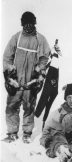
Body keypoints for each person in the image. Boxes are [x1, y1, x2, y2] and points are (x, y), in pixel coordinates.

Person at [2, 11, 50, 143]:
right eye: (25, 24)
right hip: (16, 81)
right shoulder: (16, 38)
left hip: (30, 81)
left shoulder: (40, 39)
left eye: (31, 24)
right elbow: (7, 57)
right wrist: (9, 72)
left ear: (34, 23)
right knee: (12, 106)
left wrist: (39, 71)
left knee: (29, 107)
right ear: (22, 24)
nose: (28, 27)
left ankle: (27, 133)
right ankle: (12, 132)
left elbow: (45, 58)